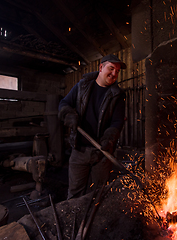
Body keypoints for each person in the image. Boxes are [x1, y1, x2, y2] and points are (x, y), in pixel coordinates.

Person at [58, 54, 126, 199]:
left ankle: (94, 221)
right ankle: (74, 221)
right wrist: (68, 114)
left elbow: (117, 122)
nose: (114, 73)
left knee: (98, 195)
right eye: (111, 68)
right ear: (101, 67)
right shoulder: (82, 86)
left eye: (117, 71)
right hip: (79, 151)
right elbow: (64, 103)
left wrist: (109, 138)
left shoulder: (117, 95)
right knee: (75, 194)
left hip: (102, 154)